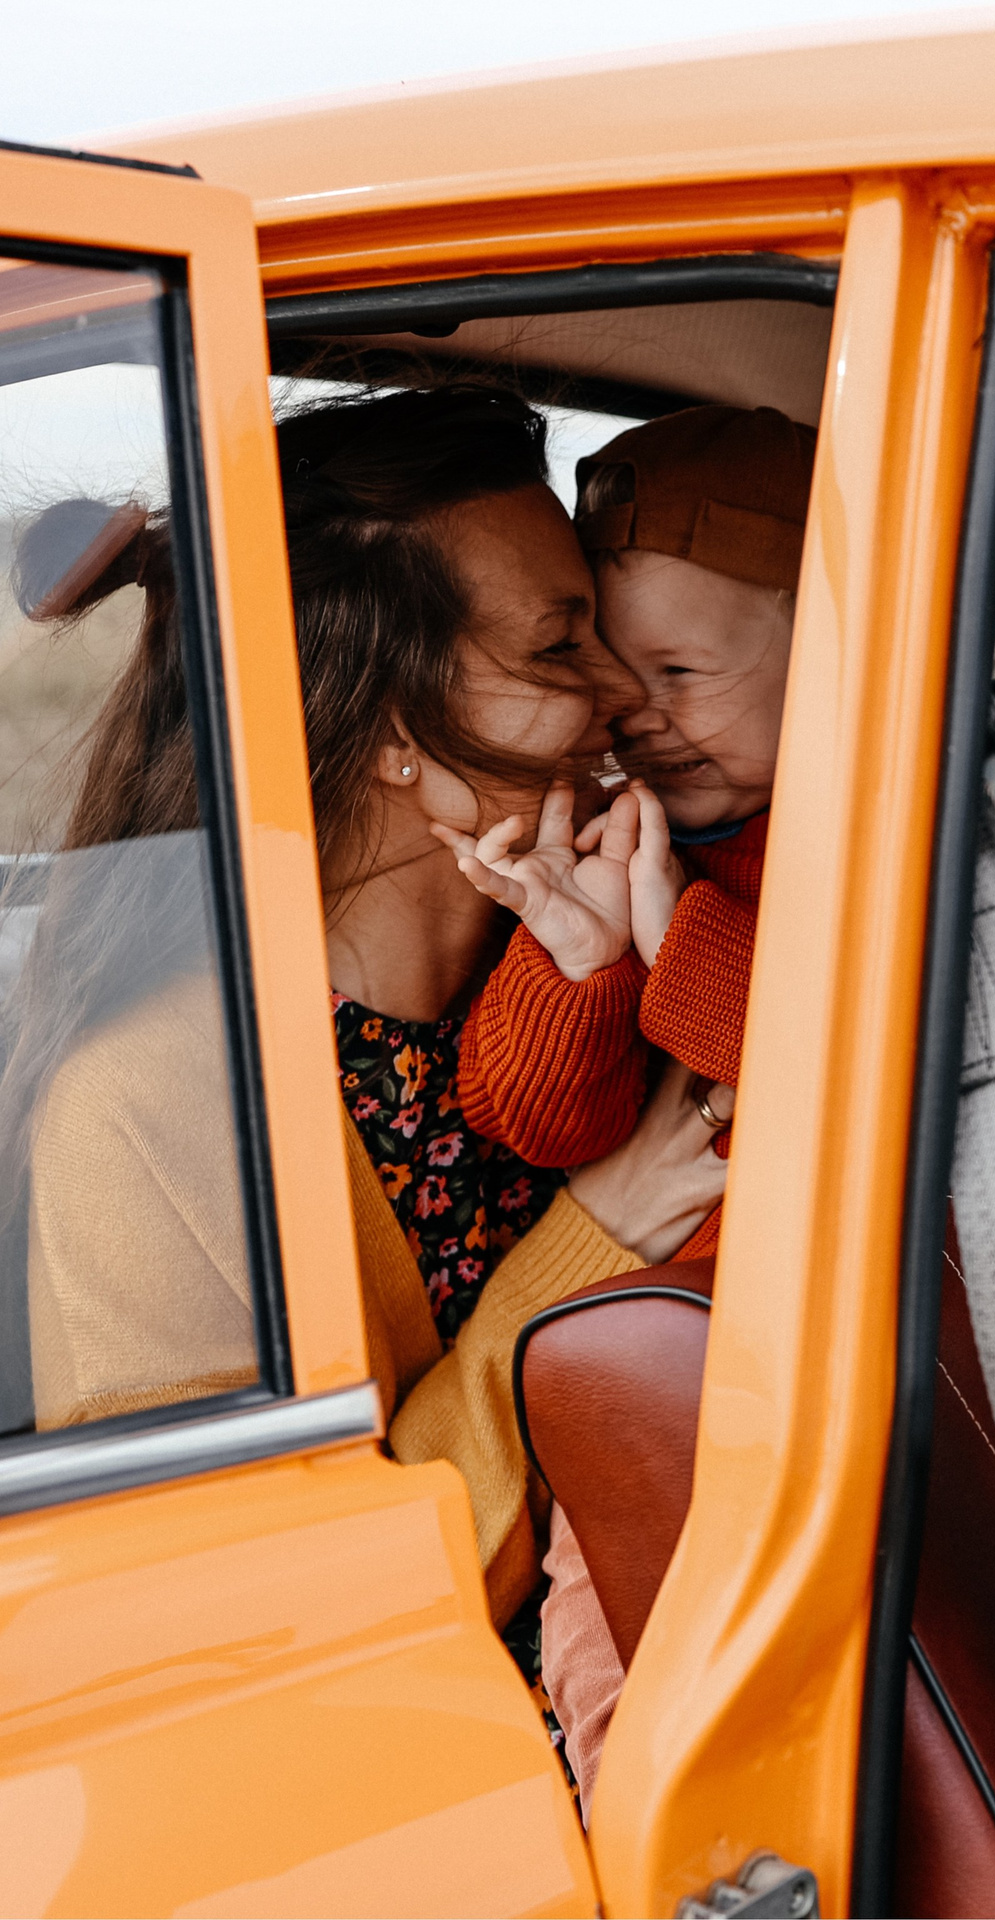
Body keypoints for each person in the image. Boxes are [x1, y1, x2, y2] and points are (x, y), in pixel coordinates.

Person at [10, 384, 728, 1627]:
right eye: (560, 649)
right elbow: (265, 1607)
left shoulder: (600, 965)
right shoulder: (147, 1116)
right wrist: (590, 1251)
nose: (623, 693)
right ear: (395, 726)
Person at [420, 404, 810, 1791]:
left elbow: (848, 1088)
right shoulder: (632, 839)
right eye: (612, 672)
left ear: (831, 654)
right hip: (641, 1406)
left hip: (817, 1388)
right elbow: (533, 1120)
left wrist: (675, 943)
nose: (634, 711)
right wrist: (583, 959)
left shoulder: (866, 846)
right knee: (619, 1716)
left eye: (684, 669)